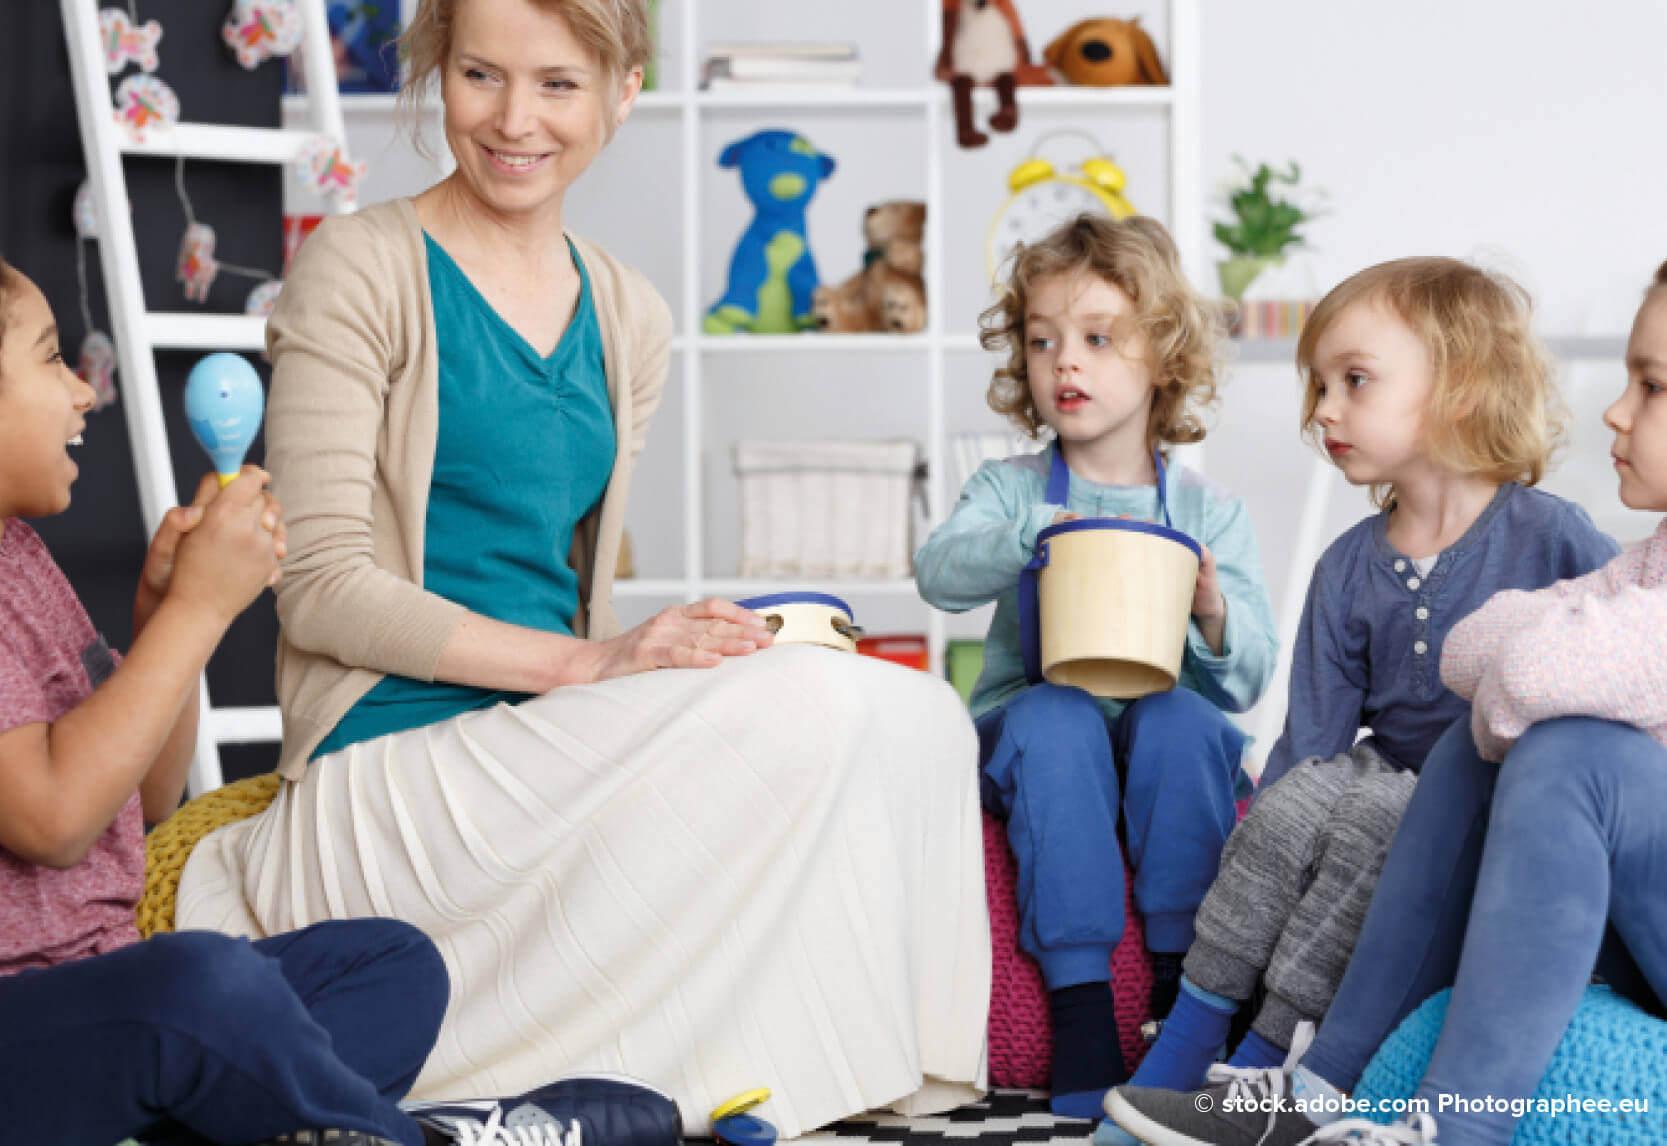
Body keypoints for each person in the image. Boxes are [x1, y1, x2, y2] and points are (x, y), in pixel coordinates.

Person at [172, 0, 990, 1135]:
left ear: (623, 90)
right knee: (807, 705)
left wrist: (637, 673)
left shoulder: (628, 314)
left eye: (557, 83)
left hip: (552, 757)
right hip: (388, 768)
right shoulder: (357, 269)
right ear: (437, 76)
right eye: (478, 76)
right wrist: (594, 666)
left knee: (917, 715)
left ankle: (828, 1082)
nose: (515, 120)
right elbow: (317, 585)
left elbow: (578, 591)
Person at [1102, 261, 1667, 1146]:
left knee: (1549, 751)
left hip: (1590, 882)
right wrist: (1518, 669)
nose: (1616, 408)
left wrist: (1519, 670)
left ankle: (1437, 1120)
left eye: (1653, 385)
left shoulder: (1557, 535)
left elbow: (1517, 677)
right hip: (1572, 868)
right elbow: (1474, 657)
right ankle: (1315, 1086)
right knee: (1435, 761)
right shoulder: (1645, 566)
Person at [0, 253, 451, 1146]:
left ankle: (225, 1115)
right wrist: (201, 612)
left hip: (105, 988)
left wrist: (165, 618)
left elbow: (135, 806)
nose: (83, 392)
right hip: (29, 1016)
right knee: (200, 986)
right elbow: (50, 820)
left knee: (393, 964)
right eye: (51, 359)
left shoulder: (20, 552)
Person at [915, 214, 1280, 1117]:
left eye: (1096, 340)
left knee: (1187, 718)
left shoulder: (1207, 511)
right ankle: (1081, 1008)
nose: (1063, 363)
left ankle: (1176, 985)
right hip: (1036, 724)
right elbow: (938, 575)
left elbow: (1247, 679)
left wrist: (1208, 607)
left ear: (1161, 359)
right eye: (1042, 342)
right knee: (1056, 713)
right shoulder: (1008, 488)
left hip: (1160, 731)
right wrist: (1029, 534)